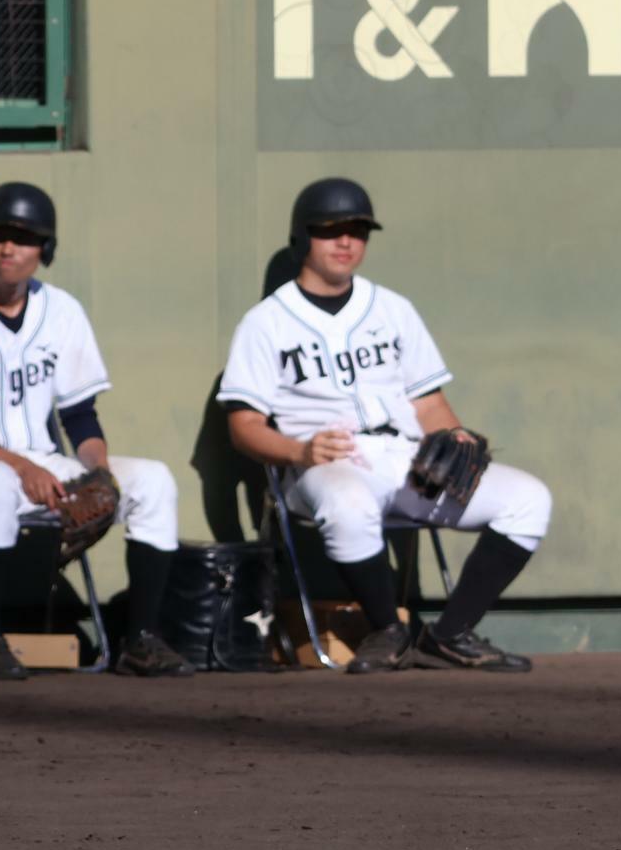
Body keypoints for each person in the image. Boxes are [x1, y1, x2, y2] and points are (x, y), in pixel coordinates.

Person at [220, 178, 550, 673]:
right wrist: (299, 453)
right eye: (330, 230)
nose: (346, 241)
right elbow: (242, 425)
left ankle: (449, 634)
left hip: (405, 457)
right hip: (324, 462)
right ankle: (387, 630)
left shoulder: (393, 309)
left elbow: (428, 401)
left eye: (357, 230)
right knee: (347, 501)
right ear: (301, 238)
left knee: (529, 499)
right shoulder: (265, 323)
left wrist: (454, 436)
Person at [0, 183, 190, 680]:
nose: (9, 247)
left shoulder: (62, 311)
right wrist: (20, 467)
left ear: (46, 249)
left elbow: (80, 415)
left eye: (24, 238)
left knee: (153, 481)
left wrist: (100, 471)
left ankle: (141, 639)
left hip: (42, 463)